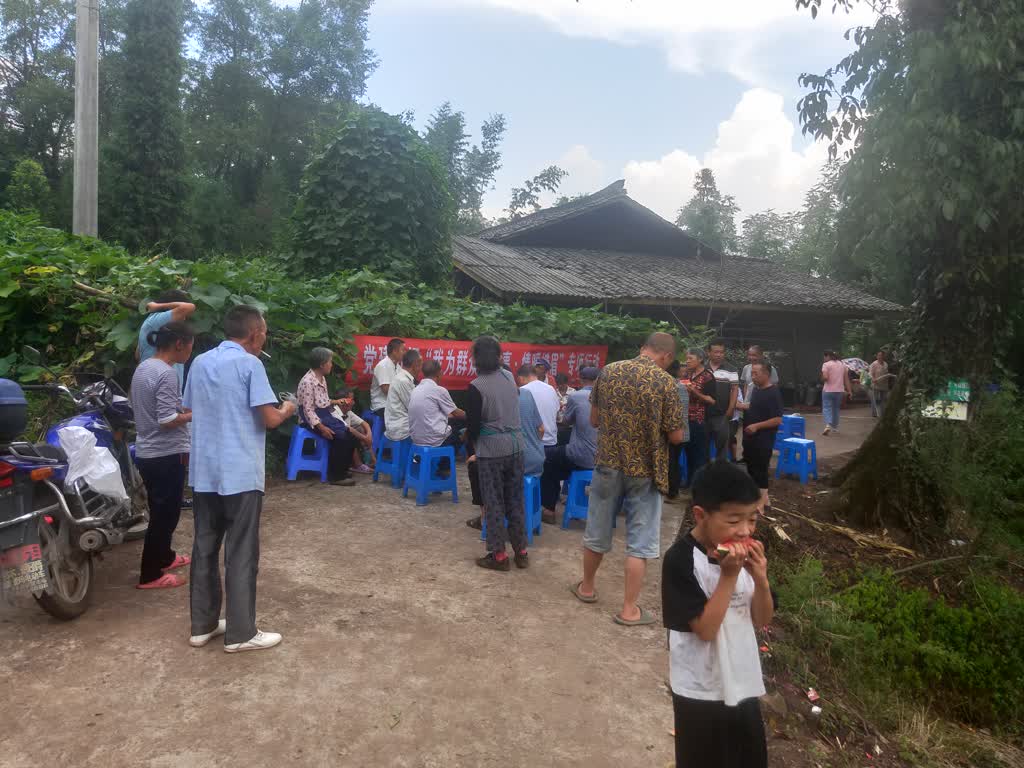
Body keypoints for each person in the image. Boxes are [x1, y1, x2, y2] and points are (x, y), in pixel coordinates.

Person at [184, 304, 296, 653]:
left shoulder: (200, 362)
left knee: (204, 545)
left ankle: (202, 625)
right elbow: (269, 419)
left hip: (205, 470)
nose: (265, 338)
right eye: (264, 332)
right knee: (242, 550)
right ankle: (241, 633)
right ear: (255, 334)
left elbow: (190, 409)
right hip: (240, 472)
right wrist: (287, 409)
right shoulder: (250, 364)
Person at [662, 461, 773, 768]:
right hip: (699, 688)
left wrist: (761, 580)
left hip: (742, 678)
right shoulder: (680, 560)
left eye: (752, 519)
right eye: (734, 520)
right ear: (701, 515)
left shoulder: (747, 554)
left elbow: (762, 619)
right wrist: (728, 576)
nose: (745, 530)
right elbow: (706, 630)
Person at [571, 332, 684, 625]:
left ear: (643, 348)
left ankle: (586, 588)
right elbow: (676, 436)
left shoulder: (608, 372)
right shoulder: (666, 383)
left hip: (608, 463)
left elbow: (595, 420)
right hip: (646, 470)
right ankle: (629, 610)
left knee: (597, 528)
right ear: (667, 356)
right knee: (639, 540)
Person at [131, 321, 195, 590]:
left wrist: (182, 410)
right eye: (190, 346)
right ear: (179, 344)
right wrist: (195, 414)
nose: (190, 352)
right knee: (164, 516)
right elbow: (167, 419)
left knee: (163, 510)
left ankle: (165, 557)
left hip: (148, 451)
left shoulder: (145, 367)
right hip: (165, 453)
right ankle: (150, 574)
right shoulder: (167, 373)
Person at [467, 337, 528, 571]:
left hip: (491, 452)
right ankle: (521, 552)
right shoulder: (509, 376)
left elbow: (473, 427)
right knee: (515, 501)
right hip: (516, 447)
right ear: (499, 356)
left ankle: (499, 556)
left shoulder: (476, 387)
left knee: (493, 503)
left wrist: (470, 444)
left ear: (475, 358)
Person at [466, 363, 543, 531]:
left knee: (476, 467)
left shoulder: (495, 400)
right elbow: (541, 429)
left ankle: (485, 517)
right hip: (536, 459)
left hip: (512, 460)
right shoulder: (527, 394)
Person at [540, 366, 600, 522]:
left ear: (580, 379)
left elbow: (566, 421)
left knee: (546, 459)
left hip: (581, 455)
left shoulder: (577, 396)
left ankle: (549, 510)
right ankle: (576, 499)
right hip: (603, 458)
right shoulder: (610, 396)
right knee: (561, 458)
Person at [296, 347, 357, 487]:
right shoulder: (307, 382)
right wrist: (322, 428)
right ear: (322, 364)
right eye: (330, 362)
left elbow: (323, 401)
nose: (331, 364)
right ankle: (335, 476)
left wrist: (336, 402)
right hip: (311, 419)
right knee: (339, 437)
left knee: (349, 434)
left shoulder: (322, 378)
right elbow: (308, 410)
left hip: (324, 414)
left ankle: (342, 469)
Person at [737, 362, 783, 514]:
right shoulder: (756, 390)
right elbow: (754, 406)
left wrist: (757, 426)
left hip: (763, 438)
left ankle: (760, 504)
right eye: (752, 373)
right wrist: (740, 405)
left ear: (766, 374)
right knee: (750, 465)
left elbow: (777, 419)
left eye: (756, 373)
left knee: (760, 468)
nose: (752, 376)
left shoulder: (773, 393)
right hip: (749, 436)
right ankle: (764, 500)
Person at [409, 359, 466, 471]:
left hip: (416, 438)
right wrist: (473, 416)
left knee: (451, 424)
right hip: (433, 440)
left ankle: (418, 467)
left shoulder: (415, 390)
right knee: (461, 431)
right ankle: (442, 469)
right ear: (439, 373)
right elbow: (456, 412)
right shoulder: (439, 390)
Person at [137, 289, 196, 390]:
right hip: (163, 384)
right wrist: (157, 306)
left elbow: (137, 354)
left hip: (153, 381)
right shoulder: (157, 320)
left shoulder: (152, 322)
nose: (184, 318)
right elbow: (189, 307)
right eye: (182, 314)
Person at [682, 348, 716, 486]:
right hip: (685, 419)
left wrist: (695, 392)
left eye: (690, 358)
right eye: (687, 358)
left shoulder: (708, 376)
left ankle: (700, 485)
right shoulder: (687, 374)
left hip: (700, 420)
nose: (687, 361)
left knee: (700, 454)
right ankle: (690, 481)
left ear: (700, 359)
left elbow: (712, 400)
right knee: (689, 452)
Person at [519, 364, 560, 461]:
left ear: (521, 378)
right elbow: (557, 412)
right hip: (552, 442)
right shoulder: (550, 389)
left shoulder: (523, 391)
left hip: (532, 445)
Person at [706, 339, 738, 461]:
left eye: (722, 352)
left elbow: (734, 389)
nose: (719, 355)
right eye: (716, 352)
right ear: (709, 352)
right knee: (703, 446)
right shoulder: (702, 367)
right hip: (703, 414)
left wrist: (731, 408)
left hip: (722, 414)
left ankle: (721, 469)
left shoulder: (731, 369)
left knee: (722, 446)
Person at [331, 387, 374, 474]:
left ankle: (371, 460)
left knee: (361, 429)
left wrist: (368, 435)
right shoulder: (334, 412)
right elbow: (348, 429)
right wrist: (365, 438)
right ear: (343, 401)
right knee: (351, 434)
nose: (354, 402)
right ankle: (358, 464)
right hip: (335, 440)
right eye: (351, 400)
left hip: (345, 438)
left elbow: (365, 424)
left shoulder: (348, 412)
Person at [664, 360, 690, 503]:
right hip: (681, 430)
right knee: (673, 460)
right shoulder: (681, 386)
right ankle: (673, 491)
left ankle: (672, 492)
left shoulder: (671, 386)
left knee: (670, 462)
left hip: (672, 431)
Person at [384, 349, 422, 442]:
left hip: (401, 424)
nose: (421, 369)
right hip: (401, 428)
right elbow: (414, 408)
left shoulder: (404, 378)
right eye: (420, 365)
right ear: (415, 365)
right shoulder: (403, 381)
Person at [370, 338, 405, 421]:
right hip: (382, 405)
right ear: (394, 351)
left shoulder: (398, 367)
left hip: (394, 405)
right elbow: (386, 390)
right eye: (403, 350)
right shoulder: (383, 365)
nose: (404, 353)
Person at [820, 350, 852, 435]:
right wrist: (850, 391)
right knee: (836, 409)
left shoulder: (826, 364)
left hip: (828, 390)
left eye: (824, 357)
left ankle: (828, 425)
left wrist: (822, 378)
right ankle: (834, 427)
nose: (824, 358)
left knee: (827, 407)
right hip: (839, 391)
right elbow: (846, 380)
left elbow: (825, 377)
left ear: (828, 356)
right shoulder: (843, 365)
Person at [867, 350, 892, 418]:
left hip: (884, 385)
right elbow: (870, 373)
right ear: (877, 356)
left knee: (883, 400)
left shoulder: (886, 364)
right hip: (876, 385)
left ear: (884, 356)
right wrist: (873, 379)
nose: (880, 357)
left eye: (881, 355)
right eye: (879, 355)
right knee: (874, 400)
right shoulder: (874, 364)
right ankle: (874, 414)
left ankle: (882, 414)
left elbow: (886, 373)